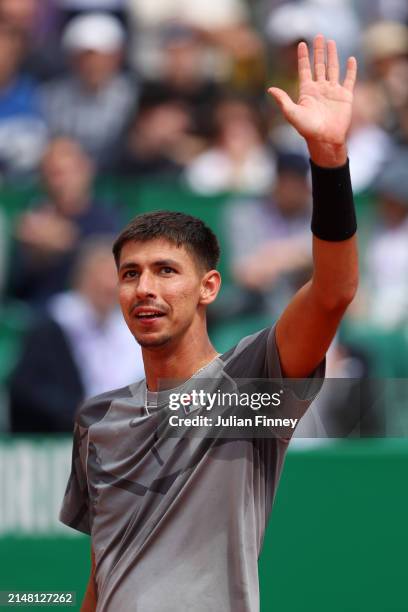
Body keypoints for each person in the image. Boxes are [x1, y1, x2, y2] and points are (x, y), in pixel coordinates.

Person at [60, 36, 358, 611]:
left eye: (166, 270)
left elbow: (333, 293)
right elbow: (103, 574)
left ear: (208, 288)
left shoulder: (250, 387)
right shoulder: (96, 420)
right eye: (130, 274)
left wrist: (328, 160)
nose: (144, 288)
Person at [9, 237, 144, 433]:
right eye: (101, 278)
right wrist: (75, 411)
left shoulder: (129, 330)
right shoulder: (52, 326)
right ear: (82, 279)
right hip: (61, 437)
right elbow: (25, 388)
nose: (108, 286)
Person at [9, 137, 121, 307]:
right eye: (52, 174)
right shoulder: (33, 218)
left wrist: (70, 242)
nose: (61, 182)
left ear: (86, 170)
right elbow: (17, 287)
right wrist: (34, 256)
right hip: (40, 314)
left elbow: (110, 267)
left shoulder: (105, 217)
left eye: (68, 172)